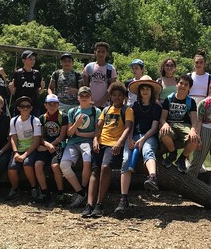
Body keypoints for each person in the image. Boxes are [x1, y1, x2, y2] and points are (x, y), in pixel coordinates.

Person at [83, 81, 133, 218]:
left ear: (124, 97)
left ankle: (100, 204)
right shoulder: (106, 110)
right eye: (114, 95)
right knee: (95, 170)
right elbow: (98, 128)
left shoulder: (127, 110)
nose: (116, 97)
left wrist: (119, 142)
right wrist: (94, 140)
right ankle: (89, 204)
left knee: (105, 167)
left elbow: (128, 128)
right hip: (100, 143)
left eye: (119, 95)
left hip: (114, 145)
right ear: (110, 96)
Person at [117, 76, 163, 216]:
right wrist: (130, 139)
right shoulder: (133, 107)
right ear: (139, 91)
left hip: (149, 136)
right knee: (126, 160)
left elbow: (154, 127)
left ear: (152, 91)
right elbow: (129, 125)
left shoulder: (156, 107)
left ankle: (153, 178)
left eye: (147, 88)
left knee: (148, 150)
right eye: (142, 89)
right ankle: (123, 198)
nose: (144, 91)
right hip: (133, 136)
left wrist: (143, 139)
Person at [60, 87, 100, 208]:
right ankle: (81, 192)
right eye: (81, 96)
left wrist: (81, 133)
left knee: (87, 162)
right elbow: (69, 133)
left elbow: (96, 133)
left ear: (90, 97)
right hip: (73, 143)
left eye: (86, 96)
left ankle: (84, 188)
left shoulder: (96, 111)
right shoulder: (72, 111)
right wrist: (76, 124)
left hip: (88, 142)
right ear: (78, 97)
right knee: (64, 165)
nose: (84, 98)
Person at [159, 73, 200, 173]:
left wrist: (193, 130)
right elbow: (162, 118)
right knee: (163, 133)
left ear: (189, 88)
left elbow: (194, 120)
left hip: (184, 125)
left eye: (186, 85)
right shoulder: (169, 99)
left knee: (195, 139)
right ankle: (173, 154)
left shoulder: (191, 102)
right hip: (170, 124)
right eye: (181, 83)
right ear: (176, 84)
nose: (183, 86)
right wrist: (164, 124)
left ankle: (182, 159)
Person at [6, 96, 43, 201]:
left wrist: (25, 155)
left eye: (27, 106)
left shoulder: (35, 121)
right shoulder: (13, 121)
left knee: (27, 164)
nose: (25, 108)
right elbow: (13, 138)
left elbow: (36, 141)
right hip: (18, 150)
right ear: (18, 108)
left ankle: (34, 188)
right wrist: (16, 152)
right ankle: (15, 189)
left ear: (31, 108)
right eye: (22, 106)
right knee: (11, 169)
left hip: (31, 149)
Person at [35, 94, 69, 204]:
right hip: (45, 145)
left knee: (55, 166)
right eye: (50, 104)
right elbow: (41, 136)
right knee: (38, 165)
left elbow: (62, 136)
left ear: (58, 105)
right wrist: (46, 145)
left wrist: (51, 145)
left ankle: (60, 192)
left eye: (55, 104)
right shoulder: (42, 118)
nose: (52, 106)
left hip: (58, 145)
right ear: (45, 105)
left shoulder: (63, 117)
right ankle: (44, 191)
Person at [82, 42, 117, 108]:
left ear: (107, 53)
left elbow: (111, 88)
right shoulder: (89, 67)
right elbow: (85, 86)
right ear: (95, 52)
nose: (101, 54)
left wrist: (101, 102)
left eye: (103, 52)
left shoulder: (111, 69)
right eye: (99, 51)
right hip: (89, 104)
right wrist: (88, 100)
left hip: (105, 105)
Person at [10, 50, 43, 116]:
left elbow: (39, 92)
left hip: (33, 106)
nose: (32, 61)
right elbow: (13, 92)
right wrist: (11, 88)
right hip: (20, 106)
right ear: (23, 60)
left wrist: (42, 87)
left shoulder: (37, 73)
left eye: (34, 59)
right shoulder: (18, 73)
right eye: (30, 59)